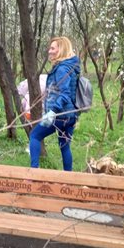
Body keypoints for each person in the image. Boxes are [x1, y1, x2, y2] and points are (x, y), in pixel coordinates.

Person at [29, 36, 79, 171]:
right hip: (70, 116)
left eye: (53, 48)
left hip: (60, 115)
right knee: (64, 146)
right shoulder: (70, 67)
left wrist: (53, 111)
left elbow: (65, 94)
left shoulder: (62, 68)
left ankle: (33, 173)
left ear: (61, 50)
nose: (49, 51)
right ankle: (67, 178)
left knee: (34, 136)